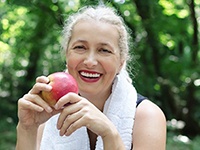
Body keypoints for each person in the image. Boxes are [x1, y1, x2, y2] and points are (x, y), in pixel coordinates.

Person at [16, 5, 166, 150]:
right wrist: (27, 128)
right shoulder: (46, 114)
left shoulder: (148, 117)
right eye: (80, 47)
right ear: (67, 54)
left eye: (104, 50)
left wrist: (109, 134)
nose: (90, 61)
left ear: (121, 62)